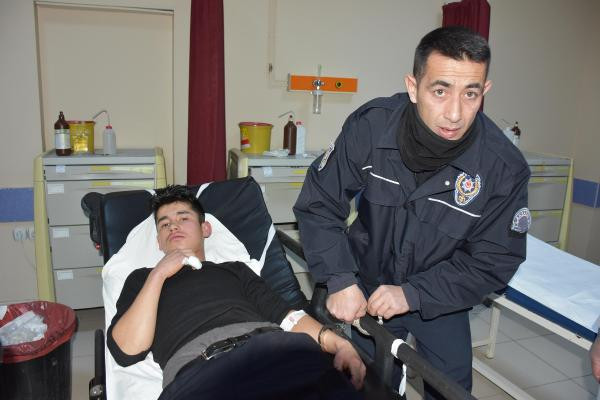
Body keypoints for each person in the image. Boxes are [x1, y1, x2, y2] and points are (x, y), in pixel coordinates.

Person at [294, 26, 530, 399]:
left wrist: (414, 294)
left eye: (470, 94)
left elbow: (495, 259)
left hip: (441, 291)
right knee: (365, 383)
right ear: (413, 86)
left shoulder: (502, 168)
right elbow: (320, 201)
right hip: (368, 281)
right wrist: (339, 277)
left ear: (484, 91)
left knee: (450, 389)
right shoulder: (372, 127)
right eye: (440, 91)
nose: (455, 113)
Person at [107, 185, 366, 400]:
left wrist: (340, 344)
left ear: (205, 229)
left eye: (183, 218)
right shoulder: (141, 280)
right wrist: (159, 274)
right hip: (199, 373)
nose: (173, 226)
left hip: (275, 352)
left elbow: (287, 316)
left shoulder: (235, 269)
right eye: (164, 224)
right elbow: (127, 351)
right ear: (158, 241)